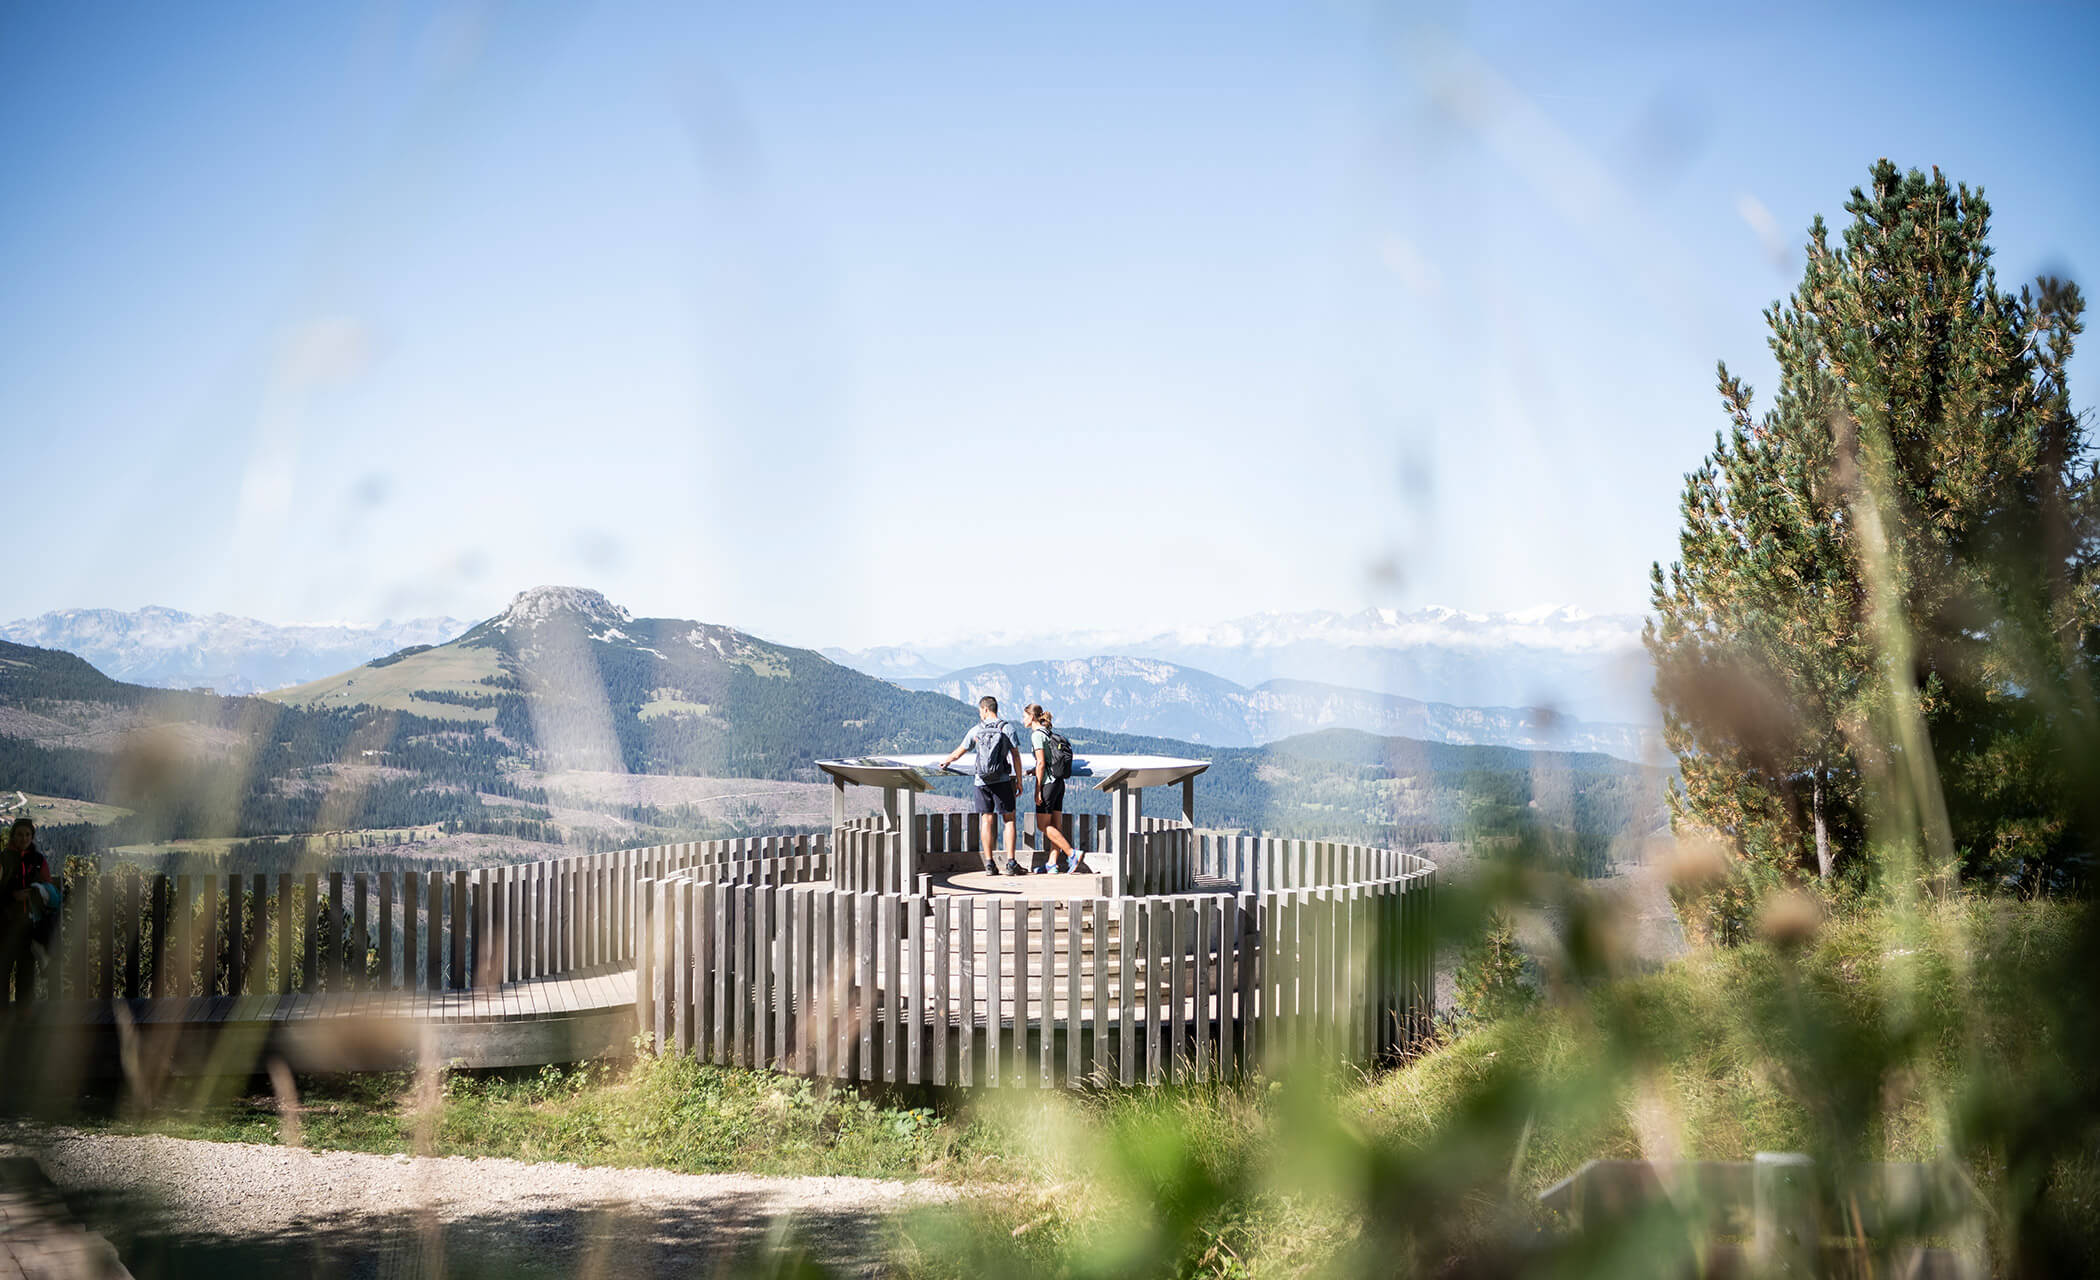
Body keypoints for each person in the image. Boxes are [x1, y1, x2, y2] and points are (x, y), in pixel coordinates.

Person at [940, 696, 1027, 875]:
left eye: (980, 710)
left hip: (981, 781)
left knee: (986, 820)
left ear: (985, 709)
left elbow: (960, 751)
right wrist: (1019, 781)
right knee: (1009, 820)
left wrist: (947, 761)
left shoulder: (976, 730)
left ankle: (989, 864)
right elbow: (1016, 756)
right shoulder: (1007, 728)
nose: (980, 713)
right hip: (1002, 780)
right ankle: (1011, 863)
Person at [1022, 704, 1083, 874]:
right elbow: (1049, 760)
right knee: (1055, 825)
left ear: (1032, 717)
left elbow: (1041, 762)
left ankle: (1072, 853)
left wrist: (1037, 789)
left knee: (1043, 826)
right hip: (1058, 783)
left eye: (1024, 716)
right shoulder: (1048, 733)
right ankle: (1052, 864)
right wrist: (1034, 770)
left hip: (1047, 784)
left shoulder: (1036, 735)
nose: (1023, 720)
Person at [1, 818, 52, 1005]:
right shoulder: (3, 858)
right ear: (13, 836)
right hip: (5, 924)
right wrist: (12, 896)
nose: (24, 838)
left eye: (28, 834)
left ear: (32, 836)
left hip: (30, 924)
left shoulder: (38, 860)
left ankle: (24, 1012)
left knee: (27, 970)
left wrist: (39, 892)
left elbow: (48, 886)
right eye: (20, 834)